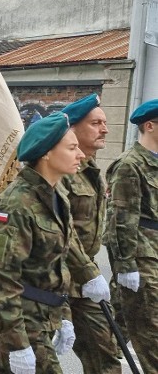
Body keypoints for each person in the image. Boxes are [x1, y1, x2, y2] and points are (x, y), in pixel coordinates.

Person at [0, 112, 103, 374]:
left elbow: (57, 266)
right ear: (46, 153)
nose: (80, 154)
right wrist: (17, 345)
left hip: (45, 316)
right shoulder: (17, 205)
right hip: (24, 319)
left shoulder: (57, 197)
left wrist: (64, 316)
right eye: (71, 147)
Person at [57, 94, 118, 374]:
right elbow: (61, 231)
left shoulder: (93, 170)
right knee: (33, 357)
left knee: (104, 354)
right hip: (54, 277)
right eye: (96, 123)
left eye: (104, 123)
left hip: (84, 281)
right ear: (74, 129)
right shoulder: (59, 170)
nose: (104, 129)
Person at [104, 98, 158, 373]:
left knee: (121, 324)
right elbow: (121, 219)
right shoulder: (129, 164)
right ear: (150, 126)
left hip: (155, 254)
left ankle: (101, 366)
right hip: (141, 256)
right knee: (151, 331)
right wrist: (126, 266)